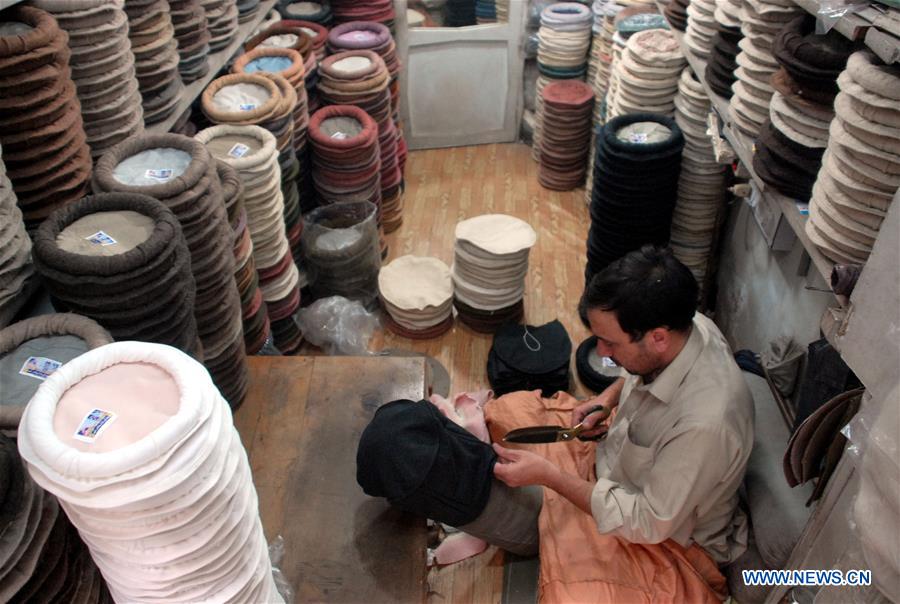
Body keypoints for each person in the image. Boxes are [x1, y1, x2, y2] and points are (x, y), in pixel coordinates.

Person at [464, 245, 754, 602]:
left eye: (609, 342)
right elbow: (641, 370)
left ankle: (562, 524)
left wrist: (549, 476)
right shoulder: (689, 326)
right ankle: (561, 520)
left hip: (664, 542)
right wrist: (607, 399)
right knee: (506, 411)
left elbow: (646, 522)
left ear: (658, 337)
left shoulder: (705, 424)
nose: (600, 352)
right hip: (610, 463)